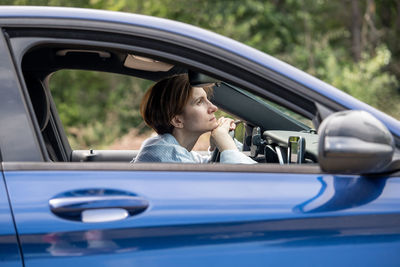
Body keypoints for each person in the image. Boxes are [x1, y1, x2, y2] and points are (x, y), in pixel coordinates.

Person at [133, 74, 256, 164]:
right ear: (177, 121)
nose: (214, 107)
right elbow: (247, 184)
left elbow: (203, 170)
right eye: (199, 102)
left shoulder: (172, 149)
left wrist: (218, 145)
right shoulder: (167, 154)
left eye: (207, 99)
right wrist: (224, 141)